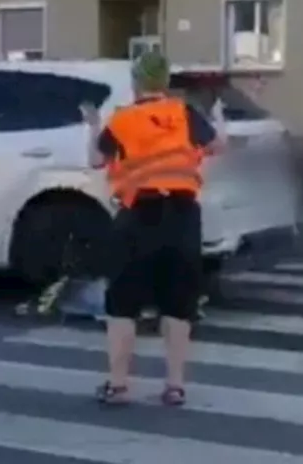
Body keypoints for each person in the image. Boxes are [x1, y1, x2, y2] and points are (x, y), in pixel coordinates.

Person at [85, 51, 217, 407]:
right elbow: (217, 145)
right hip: (184, 216)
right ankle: (175, 386)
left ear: (136, 81)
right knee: (178, 303)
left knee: (123, 304)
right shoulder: (184, 113)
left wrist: (94, 124)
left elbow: (97, 160)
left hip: (139, 216)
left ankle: (118, 385)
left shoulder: (122, 120)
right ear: (165, 82)